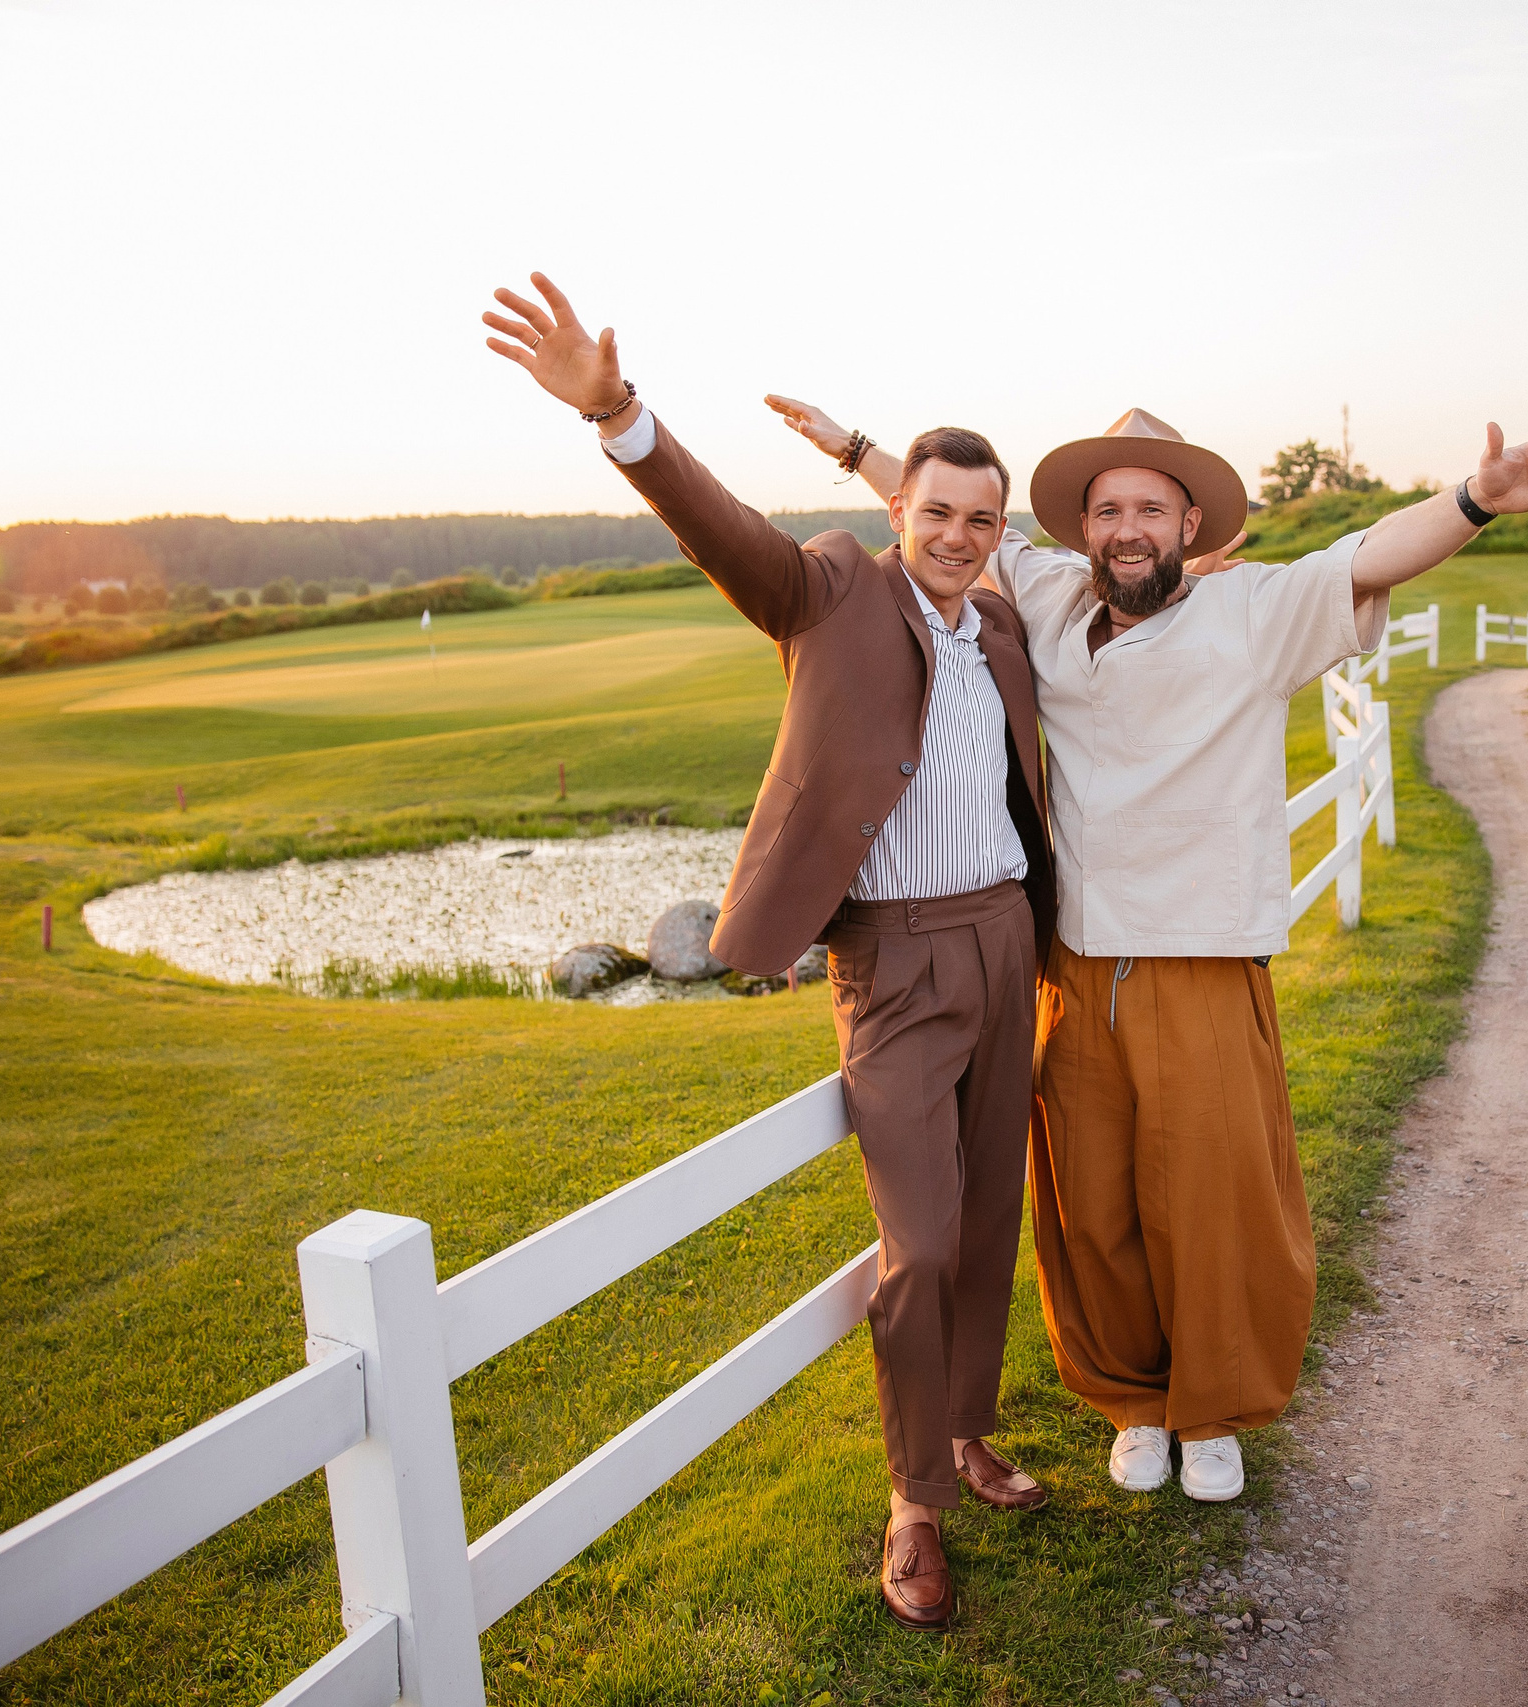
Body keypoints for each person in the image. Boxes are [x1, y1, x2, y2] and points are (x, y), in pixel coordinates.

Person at [770, 393, 1528, 1501]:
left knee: (1215, 1206)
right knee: (1094, 1209)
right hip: (1074, 965)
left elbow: (1371, 551)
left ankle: (1213, 1412)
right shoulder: (1054, 593)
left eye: (1150, 509)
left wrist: (1474, 501)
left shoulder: (1256, 611)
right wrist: (848, 447)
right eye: (1106, 508)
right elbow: (943, 513)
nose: (1126, 528)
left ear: (1190, 524)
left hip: (1202, 960)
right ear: (1082, 527)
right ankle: (1134, 1400)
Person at [481, 273, 1058, 1632]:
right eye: (940, 514)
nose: (963, 536)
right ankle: (917, 1500)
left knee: (988, 1219)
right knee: (916, 1242)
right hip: (899, 966)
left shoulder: (1010, 632)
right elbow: (725, 534)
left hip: (1006, 936)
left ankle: (968, 1428)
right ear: (899, 514)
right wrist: (621, 414)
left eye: (984, 517)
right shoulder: (834, 591)